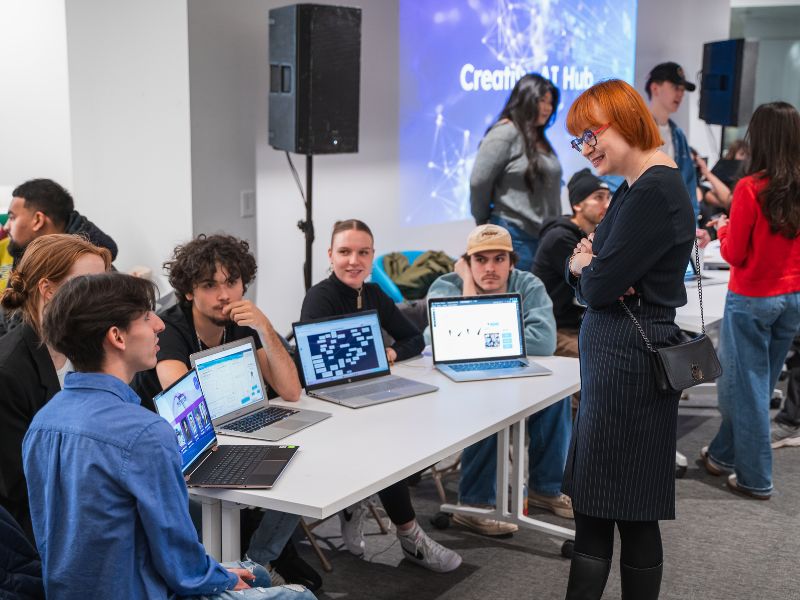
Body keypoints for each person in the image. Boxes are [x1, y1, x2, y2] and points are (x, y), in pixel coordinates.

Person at [22, 272, 315, 600]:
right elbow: (184, 571)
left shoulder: (41, 424)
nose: (160, 325)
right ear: (117, 337)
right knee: (299, 595)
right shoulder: (144, 433)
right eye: (147, 317)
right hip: (143, 590)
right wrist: (224, 579)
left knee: (256, 572)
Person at [563, 79, 695, 599]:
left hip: (629, 367)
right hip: (623, 362)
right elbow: (592, 267)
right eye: (579, 140)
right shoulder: (637, 188)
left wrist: (587, 268)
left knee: (616, 514)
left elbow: (595, 282)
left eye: (590, 133)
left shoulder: (653, 191)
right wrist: (590, 267)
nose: (586, 147)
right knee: (610, 512)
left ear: (625, 119)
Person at [131, 234, 318, 590]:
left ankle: (258, 562)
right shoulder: (171, 330)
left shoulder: (241, 320)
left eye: (232, 282)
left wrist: (263, 327)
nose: (224, 295)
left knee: (306, 466)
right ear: (189, 291)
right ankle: (239, 572)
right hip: (178, 458)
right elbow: (189, 409)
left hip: (229, 434)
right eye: (209, 285)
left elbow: (291, 390)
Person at [300, 219, 461, 573]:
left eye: (362, 252)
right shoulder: (320, 297)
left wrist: (389, 355)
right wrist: (369, 357)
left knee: (413, 423)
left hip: (368, 395)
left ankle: (358, 503)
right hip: (327, 405)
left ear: (373, 256)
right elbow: (316, 368)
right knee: (389, 447)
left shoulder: (374, 294)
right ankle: (410, 535)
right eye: (344, 252)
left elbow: (415, 339)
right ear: (330, 255)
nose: (353, 260)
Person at [425, 224, 571, 536]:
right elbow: (436, 342)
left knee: (555, 396)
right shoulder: (446, 285)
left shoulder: (528, 284)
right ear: (466, 262)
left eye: (499, 259)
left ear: (512, 261)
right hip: (456, 387)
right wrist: (468, 287)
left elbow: (544, 341)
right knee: (489, 405)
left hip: (513, 376)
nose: (490, 268)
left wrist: (475, 336)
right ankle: (475, 505)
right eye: (480, 260)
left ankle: (545, 488)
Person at [702, 102, 800, 500]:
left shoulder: (750, 187)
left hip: (752, 300)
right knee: (755, 388)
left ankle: (755, 478)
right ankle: (723, 456)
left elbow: (735, 254)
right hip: (791, 299)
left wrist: (723, 230)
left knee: (743, 391)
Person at [0, 234, 110, 541]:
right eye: (87, 286)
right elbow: (23, 486)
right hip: (39, 529)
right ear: (48, 290)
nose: (101, 299)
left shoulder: (82, 348)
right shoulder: (9, 373)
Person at [469, 73, 562, 270]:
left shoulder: (537, 136)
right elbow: (479, 181)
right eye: (542, 101)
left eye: (550, 102)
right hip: (516, 236)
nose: (548, 108)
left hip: (542, 237)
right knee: (522, 297)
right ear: (526, 99)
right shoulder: (505, 132)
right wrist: (483, 224)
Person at [1, 179, 118, 334]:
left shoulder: (95, 272)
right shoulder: (27, 256)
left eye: (12, 217)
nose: (6, 226)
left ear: (38, 220)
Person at [533, 169, 610, 358]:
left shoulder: (588, 236)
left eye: (609, 197)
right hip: (556, 329)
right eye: (598, 197)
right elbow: (594, 280)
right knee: (604, 357)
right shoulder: (560, 238)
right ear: (577, 204)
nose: (607, 204)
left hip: (579, 323)